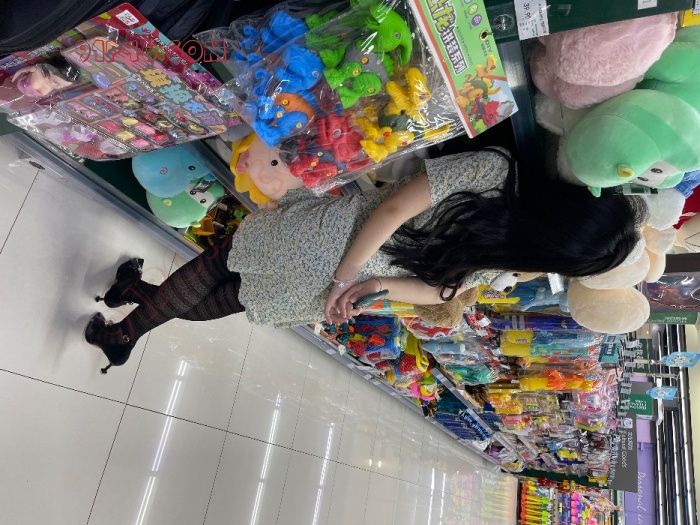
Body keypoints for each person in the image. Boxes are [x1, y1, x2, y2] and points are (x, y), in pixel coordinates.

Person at [85, 148, 647, 373]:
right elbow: (443, 292)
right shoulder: (512, 255)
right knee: (226, 298)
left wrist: (348, 272)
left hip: (327, 240)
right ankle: (132, 298)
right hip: (333, 289)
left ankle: (125, 333)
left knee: (214, 268)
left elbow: (395, 208)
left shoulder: (498, 173)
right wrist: (369, 287)